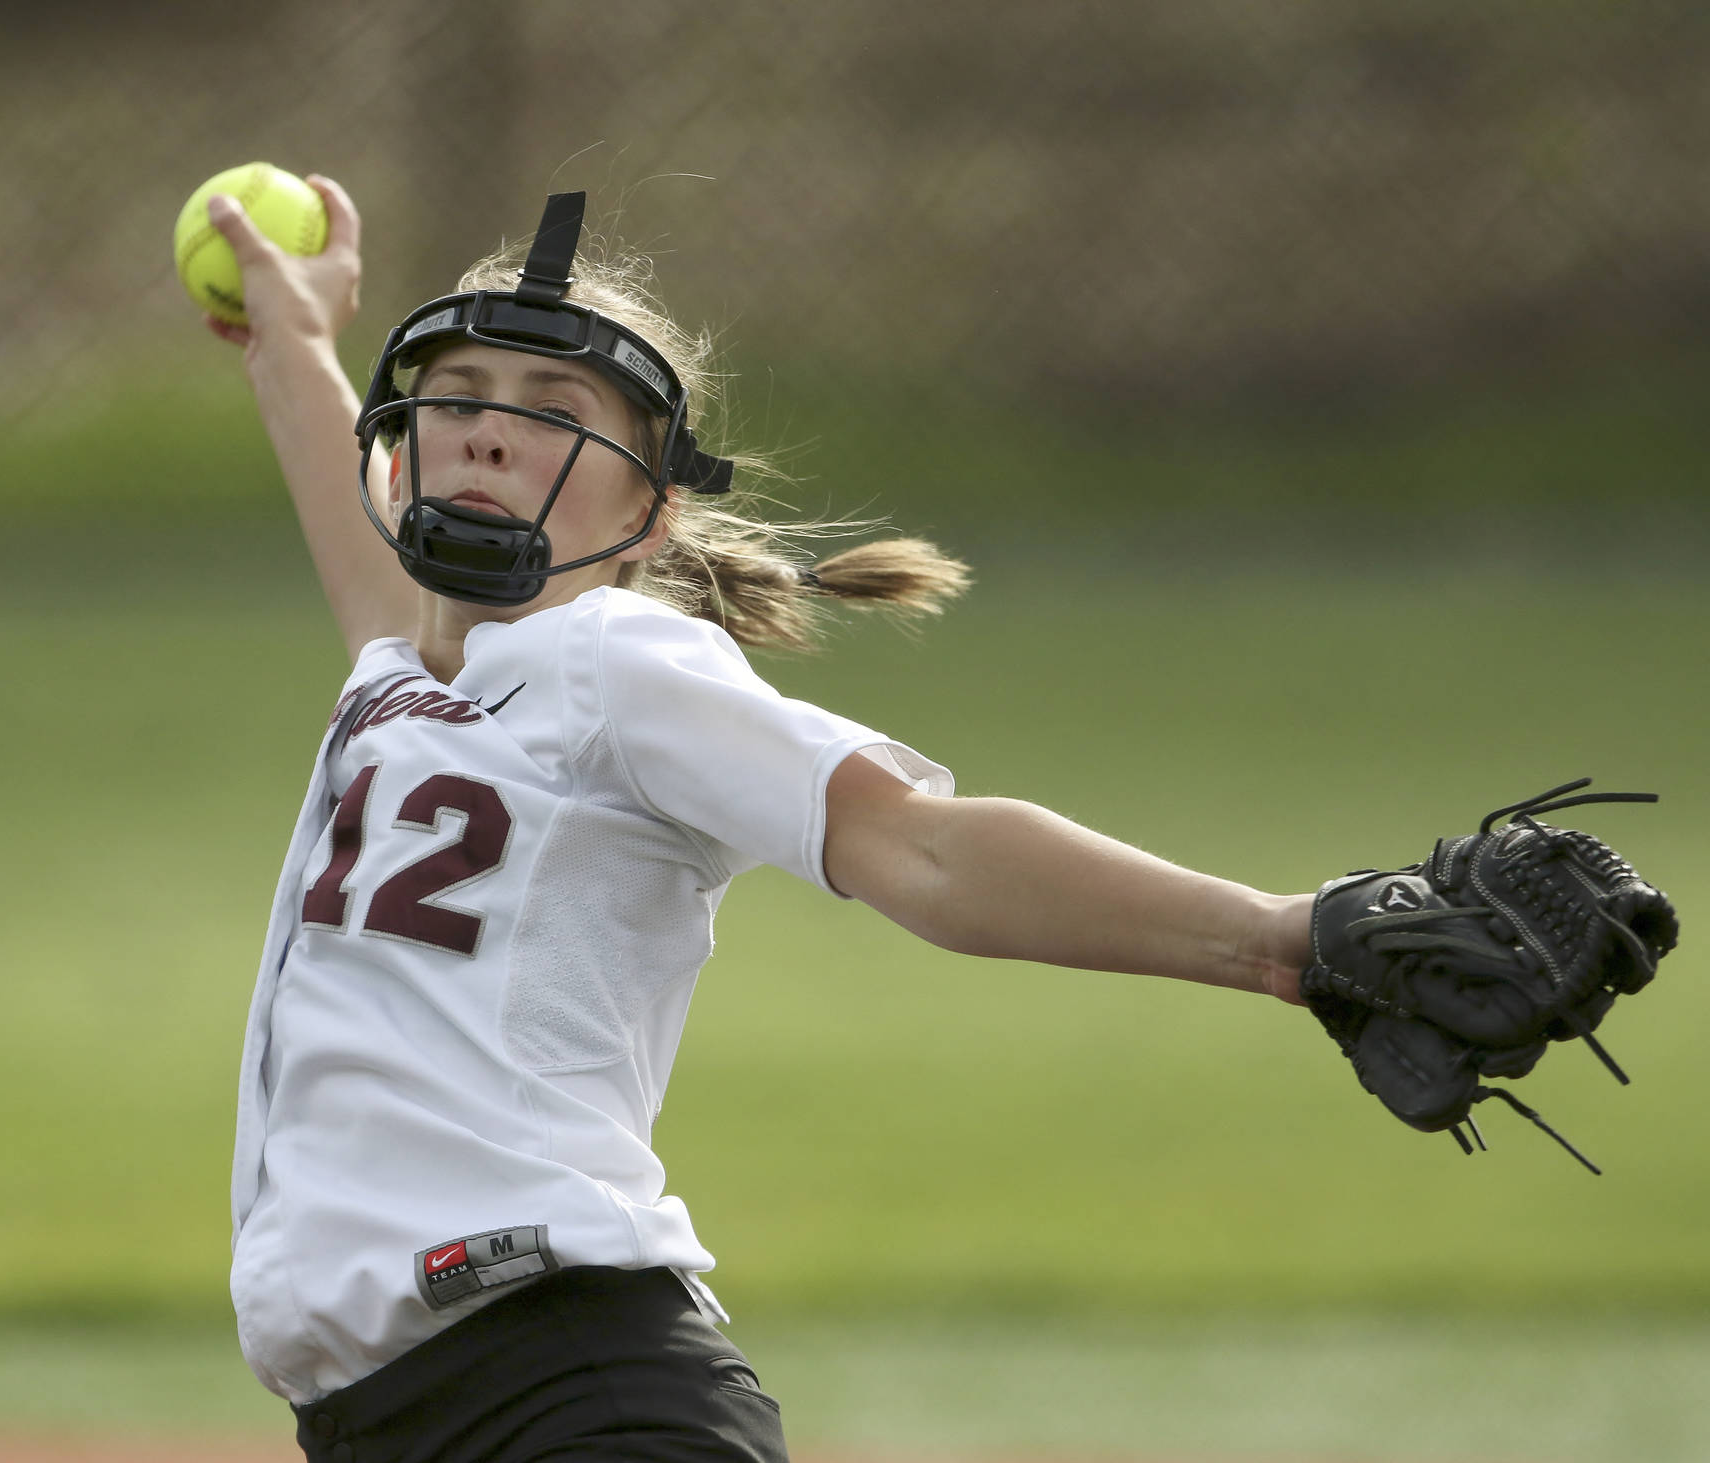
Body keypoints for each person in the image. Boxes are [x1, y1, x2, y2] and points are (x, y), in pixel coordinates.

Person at [202, 178, 1313, 1463]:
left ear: (648, 513)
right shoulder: (405, 679)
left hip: (564, 1393)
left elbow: (922, 845)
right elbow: (372, 574)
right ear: (404, 446)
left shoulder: (614, 658)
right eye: (456, 400)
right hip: (418, 1421)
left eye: (555, 415)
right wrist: (288, 339)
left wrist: (1282, 937)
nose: (489, 436)